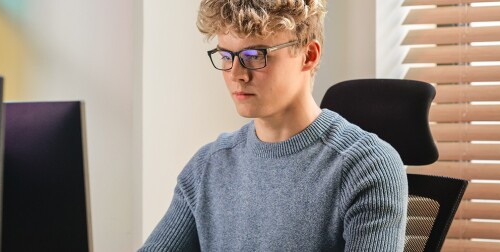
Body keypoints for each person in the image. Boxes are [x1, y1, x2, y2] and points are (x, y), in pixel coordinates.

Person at [139, 0, 407, 251]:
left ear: (308, 55)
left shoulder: (366, 167)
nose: (236, 75)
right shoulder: (208, 166)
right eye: (226, 56)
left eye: (254, 55)